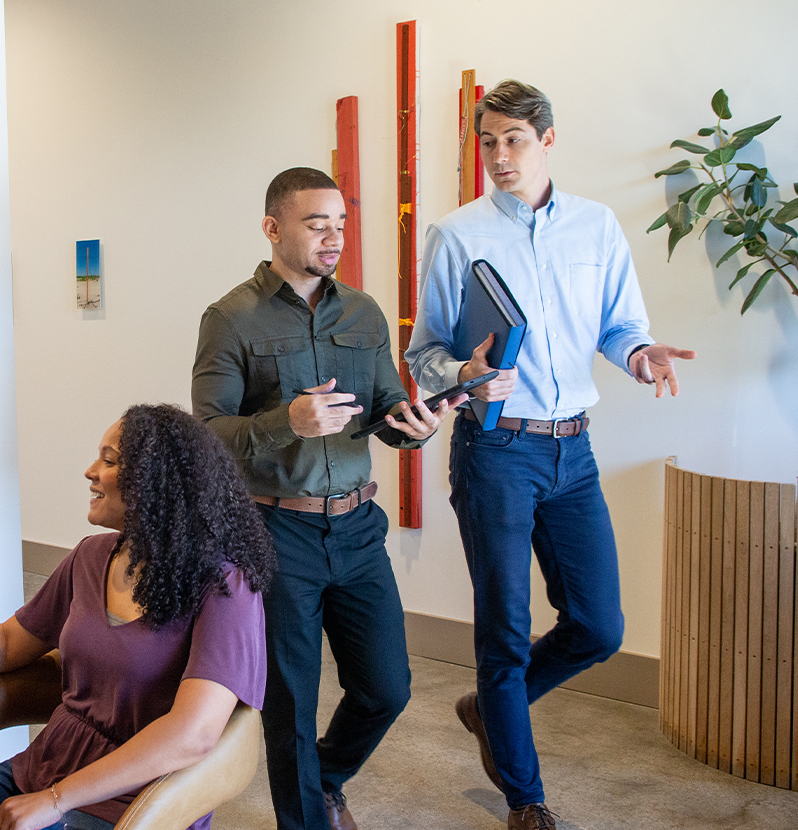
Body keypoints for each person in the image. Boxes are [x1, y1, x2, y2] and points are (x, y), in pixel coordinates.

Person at [405, 79, 696, 830]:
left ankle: (489, 710)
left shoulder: (596, 228)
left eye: (516, 141)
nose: (501, 157)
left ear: (548, 141)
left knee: (599, 626)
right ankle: (526, 800)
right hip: (496, 449)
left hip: (574, 451)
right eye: (489, 142)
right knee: (502, 628)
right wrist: (463, 372)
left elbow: (618, 324)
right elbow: (425, 353)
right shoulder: (456, 234)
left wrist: (637, 354)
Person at [191, 167, 465, 830]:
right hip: (273, 530)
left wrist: (413, 426)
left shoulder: (364, 312)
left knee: (386, 686)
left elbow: (383, 407)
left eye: (341, 222)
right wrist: (289, 420)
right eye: (318, 223)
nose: (334, 236)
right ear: (273, 227)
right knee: (289, 700)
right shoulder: (230, 318)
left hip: (356, 528)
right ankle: (306, 817)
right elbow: (204, 436)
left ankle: (328, 776)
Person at [0, 404, 273, 830]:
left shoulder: (224, 587)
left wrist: (56, 801)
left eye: (109, 461)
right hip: (41, 771)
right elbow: (10, 644)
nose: (90, 471)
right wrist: (47, 794)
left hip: (133, 805)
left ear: (156, 483)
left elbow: (193, 734)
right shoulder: (89, 557)